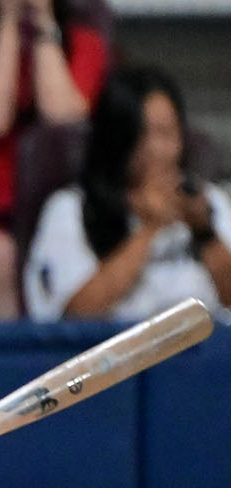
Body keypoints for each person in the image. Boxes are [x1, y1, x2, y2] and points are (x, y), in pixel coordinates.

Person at [0, 0, 108, 318]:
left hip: (63, 219)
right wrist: (8, 21)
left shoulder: (86, 42)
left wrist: (42, 22)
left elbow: (62, 118)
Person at [24, 65, 231, 320]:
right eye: (142, 135)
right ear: (117, 138)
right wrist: (150, 229)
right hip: (119, 353)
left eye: (166, 132)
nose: (157, 150)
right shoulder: (71, 209)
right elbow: (74, 316)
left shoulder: (207, 202)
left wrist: (205, 232)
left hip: (205, 352)